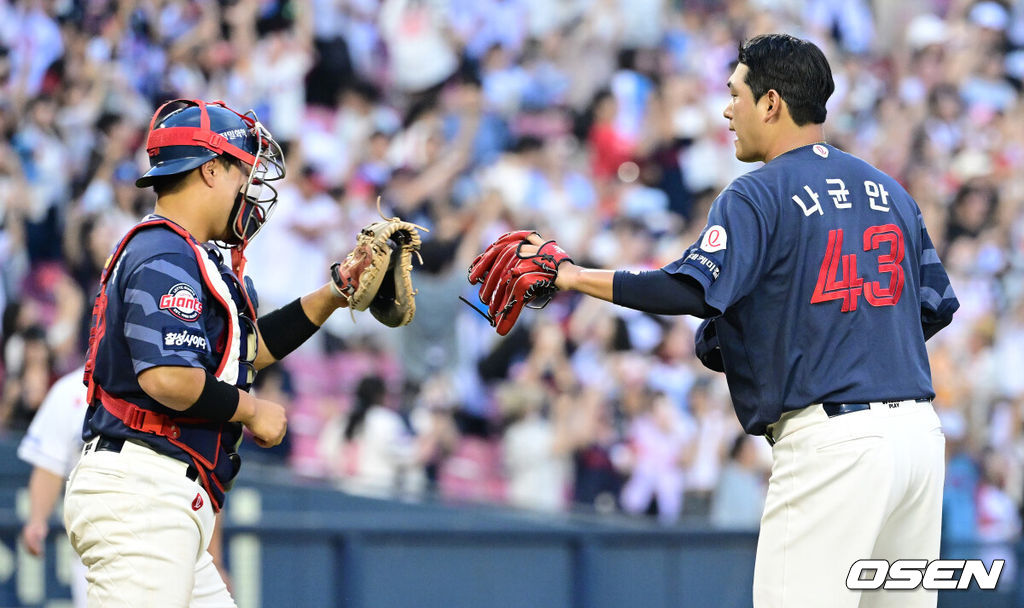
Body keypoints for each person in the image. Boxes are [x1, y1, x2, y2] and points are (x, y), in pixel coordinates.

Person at [502, 34, 959, 607]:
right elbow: (931, 310)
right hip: (918, 439)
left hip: (834, 442)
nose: (726, 109)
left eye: (735, 94)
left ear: (770, 103)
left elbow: (684, 288)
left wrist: (571, 275)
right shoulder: (890, 192)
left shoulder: (758, 193)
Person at [63, 99, 355, 607]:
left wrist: (332, 294)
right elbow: (169, 378)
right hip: (142, 493)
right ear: (211, 170)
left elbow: (243, 354)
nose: (252, 189)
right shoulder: (165, 252)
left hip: (162, 493)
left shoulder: (183, 251)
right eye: (245, 171)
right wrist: (252, 409)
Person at [18, 367, 89, 607]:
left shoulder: (174, 377)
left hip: (167, 533)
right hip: (95, 543)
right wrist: (37, 519)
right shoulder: (71, 390)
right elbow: (50, 463)